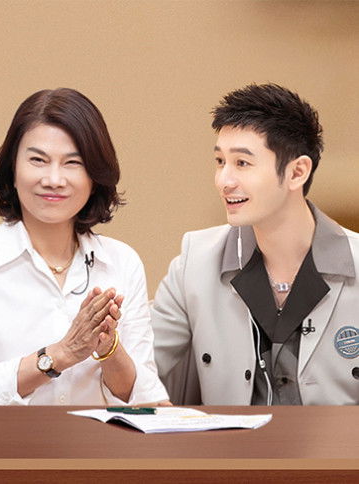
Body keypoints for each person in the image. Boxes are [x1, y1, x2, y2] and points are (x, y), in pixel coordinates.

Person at [0, 88, 168, 405]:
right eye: (38, 160)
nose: (54, 179)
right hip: (6, 440)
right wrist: (60, 355)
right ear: (12, 169)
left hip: (98, 438)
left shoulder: (122, 262)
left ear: (95, 177)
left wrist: (108, 347)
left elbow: (145, 403)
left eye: (73, 163)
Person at [152, 83, 359, 405]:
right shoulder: (195, 263)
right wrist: (106, 347)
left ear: (297, 172)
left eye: (242, 163)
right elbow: (140, 372)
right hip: (233, 440)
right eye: (220, 161)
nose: (224, 181)